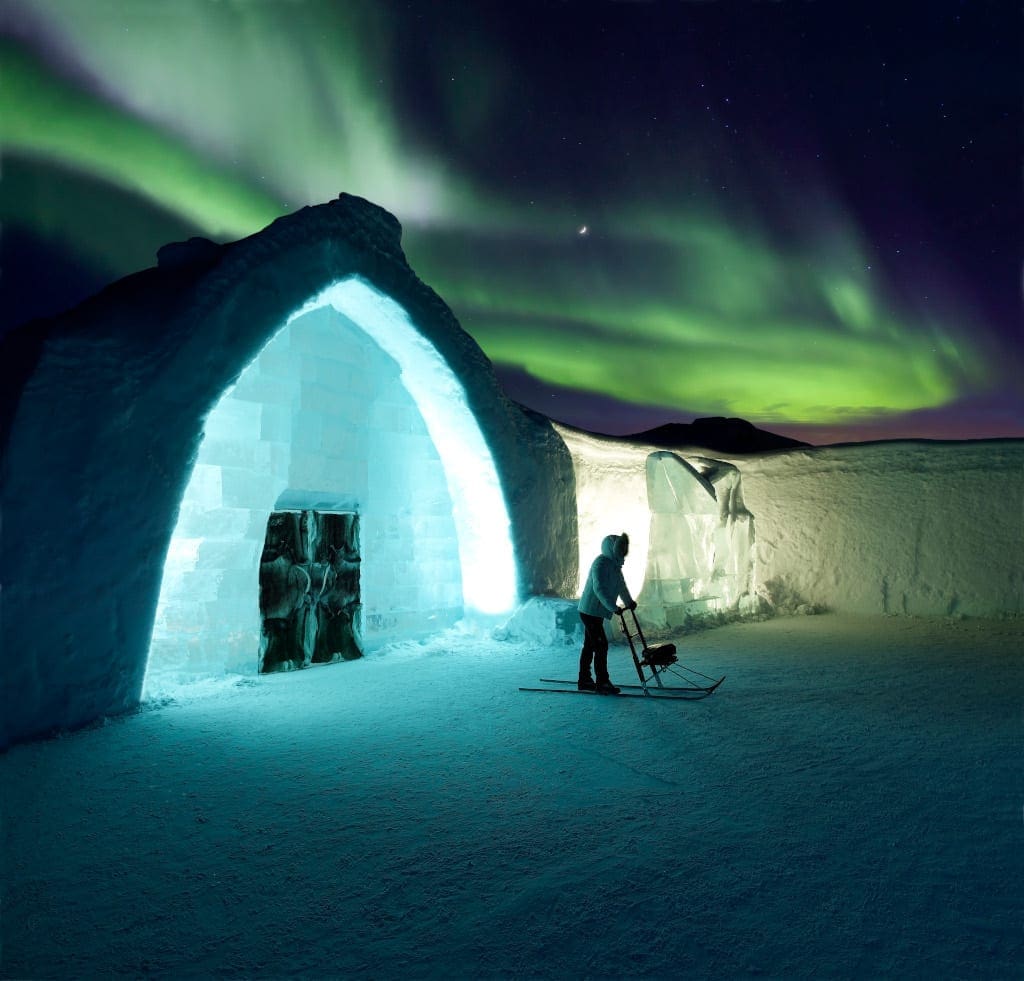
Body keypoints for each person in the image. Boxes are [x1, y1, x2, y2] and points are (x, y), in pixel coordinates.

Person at [577, 532, 636, 694]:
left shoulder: (616, 566)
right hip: (589, 611)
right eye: (619, 549)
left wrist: (629, 602)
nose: (622, 552)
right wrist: (612, 606)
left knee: (591, 646)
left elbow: (621, 587)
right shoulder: (601, 563)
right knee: (601, 645)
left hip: (597, 612)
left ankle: (584, 680)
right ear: (612, 549)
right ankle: (602, 682)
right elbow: (599, 588)